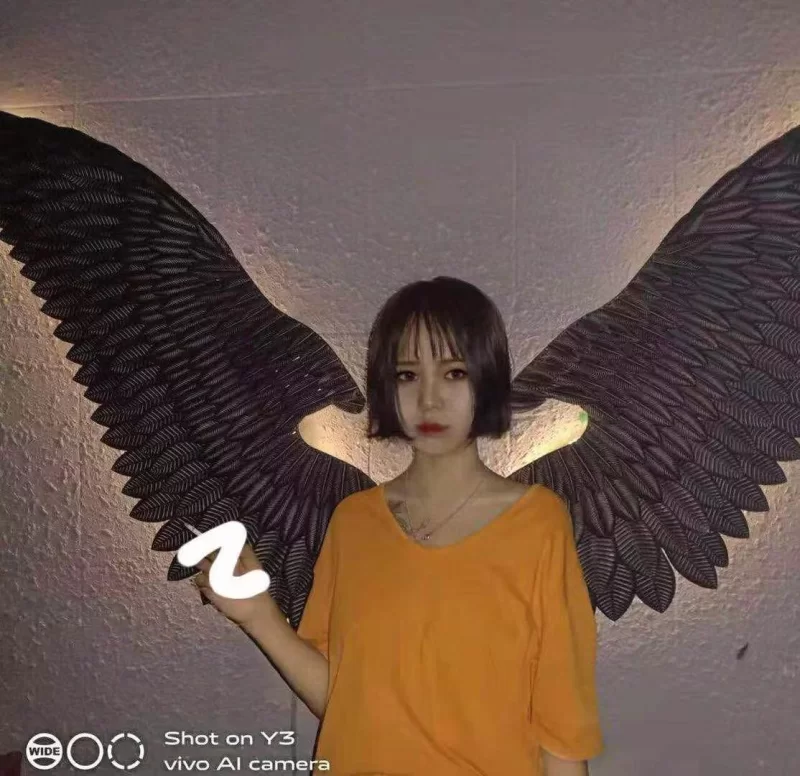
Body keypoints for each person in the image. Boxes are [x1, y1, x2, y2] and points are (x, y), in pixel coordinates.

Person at [192, 276, 604, 775]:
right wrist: (258, 615)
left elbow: (562, 729)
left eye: (454, 373)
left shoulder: (538, 524)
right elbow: (343, 701)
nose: (429, 399)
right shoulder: (353, 523)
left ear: (486, 379)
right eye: (407, 375)